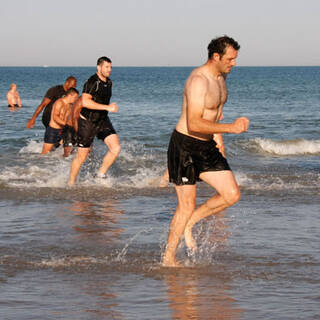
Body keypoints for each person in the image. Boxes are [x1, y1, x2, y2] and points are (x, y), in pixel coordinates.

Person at [162, 36, 250, 267]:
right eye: (230, 59)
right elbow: (194, 123)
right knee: (186, 204)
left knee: (231, 194)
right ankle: (168, 258)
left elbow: (212, 113)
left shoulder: (221, 77)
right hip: (185, 146)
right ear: (216, 56)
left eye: (235, 59)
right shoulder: (198, 80)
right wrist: (230, 128)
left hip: (206, 146)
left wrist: (218, 130)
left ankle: (190, 223)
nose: (234, 64)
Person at [68, 56, 120, 186]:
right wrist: (107, 107)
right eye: (107, 67)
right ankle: (71, 183)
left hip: (102, 120)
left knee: (116, 148)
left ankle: (100, 174)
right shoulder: (92, 82)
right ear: (99, 67)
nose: (109, 70)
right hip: (87, 122)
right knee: (82, 157)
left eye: (110, 67)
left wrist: (105, 110)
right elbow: (85, 101)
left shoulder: (109, 82)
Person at [41, 88, 79, 155]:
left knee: (68, 151)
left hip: (63, 131)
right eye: (75, 97)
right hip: (53, 131)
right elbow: (55, 117)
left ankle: (62, 163)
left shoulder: (70, 105)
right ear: (70, 95)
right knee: (45, 154)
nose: (76, 99)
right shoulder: (59, 102)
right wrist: (66, 124)